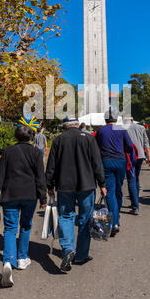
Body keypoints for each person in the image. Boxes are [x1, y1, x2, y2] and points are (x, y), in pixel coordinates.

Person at [46, 116, 106, 272]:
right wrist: (102, 184)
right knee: (85, 219)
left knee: (66, 216)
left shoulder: (59, 140)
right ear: (77, 125)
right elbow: (97, 163)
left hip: (64, 186)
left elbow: (51, 165)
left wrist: (49, 185)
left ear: (65, 126)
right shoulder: (88, 138)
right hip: (87, 185)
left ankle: (68, 250)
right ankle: (81, 255)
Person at [0, 124, 47, 287]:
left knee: (9, 228)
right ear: (30, 137)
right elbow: (40, 177)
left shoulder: (8, 151)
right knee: (25, 226)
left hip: (10, 195)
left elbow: (0, 175)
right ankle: (22, 258)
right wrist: (43, 197)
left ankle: (8, 261)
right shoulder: (36, 152)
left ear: (15, 136)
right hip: (30, 195)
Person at [96, 109, 135, 235]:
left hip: (106, 162)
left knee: (110, 192)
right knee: (118, 190)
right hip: (120, 161)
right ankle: (116, 220)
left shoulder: (101, 131)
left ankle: (113, 222)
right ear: (116, 118)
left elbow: (97, 147)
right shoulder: (122, 130)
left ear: (106, 119)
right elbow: (129, 146)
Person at [124, 117, 150, 215]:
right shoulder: (141, 128)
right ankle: (134, 201)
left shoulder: (124, 128)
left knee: (131, 179)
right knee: (136, 178)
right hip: (140, 155)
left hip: (130, 156)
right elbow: (146, 143)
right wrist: (149, 157)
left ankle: (135, 206)